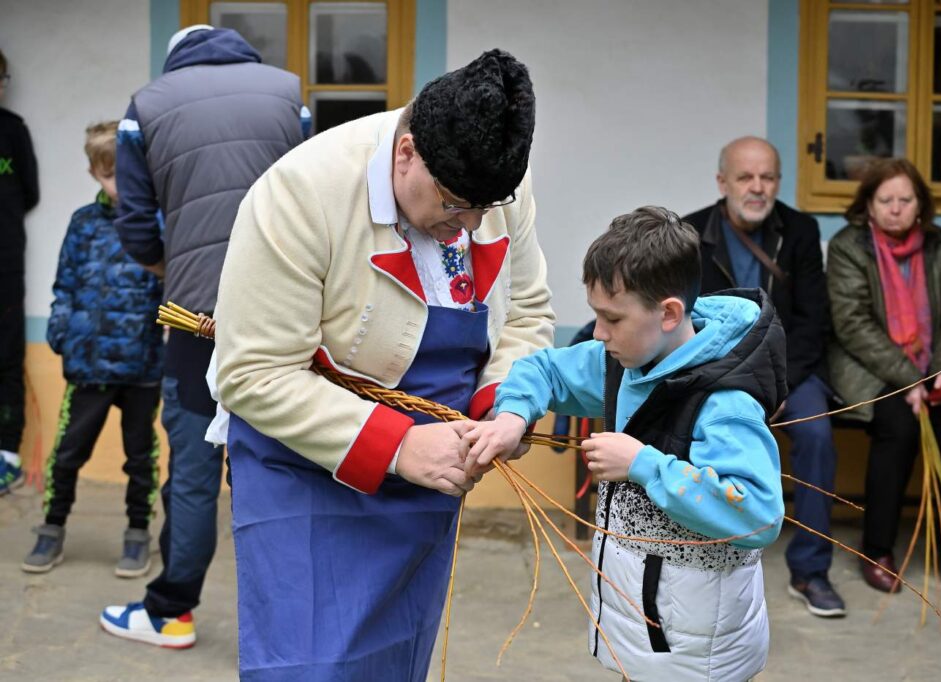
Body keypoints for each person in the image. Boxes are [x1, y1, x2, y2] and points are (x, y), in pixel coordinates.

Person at [214, 49, 553, 679]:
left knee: (393, 660)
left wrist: (507, 407)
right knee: (307, 665)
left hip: (435, 469)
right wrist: (398, 448)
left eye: (484, 209)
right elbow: (254, 372)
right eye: (455, 204)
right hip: (308, 466)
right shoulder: (299, 194)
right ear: (406, 154)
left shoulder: (492, 184)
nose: (469, 228)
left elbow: (528, 311)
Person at [462, 206, 786, 681]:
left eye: (612, 318)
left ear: (670, 313)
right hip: (642, 624)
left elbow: (757, 513)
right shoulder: (624, 361)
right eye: (596, 315)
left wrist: (644, 465)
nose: (598, 332)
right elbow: (545, 369)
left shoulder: (725, 405)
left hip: (698, 648)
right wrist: (513, 416)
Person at [100, 25, 308, 648]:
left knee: (192, 472)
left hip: (194, 319)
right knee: (279, 469)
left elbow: (135, 223)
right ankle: (289, 624)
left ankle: (171, 614)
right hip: (284, 312)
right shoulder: (288, 92)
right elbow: (316, 194)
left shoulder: (147, 104)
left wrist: (176, 267)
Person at [684, 136, 846, 617]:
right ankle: (703, 559)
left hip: (790, 373)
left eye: (768, 177)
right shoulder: (692, 233)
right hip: (718, 374)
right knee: (694, 434)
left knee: (816, 434)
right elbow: (688, 321)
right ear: (722, 182)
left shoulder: (798, 231)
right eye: (745, 177)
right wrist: (731, 382)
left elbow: (814, 321)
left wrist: (777, 384)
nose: (757, 188)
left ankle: (811, 571)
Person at [827, 158, 941, 593]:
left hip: (934, 364)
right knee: (898, 426)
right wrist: (907, 379)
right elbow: (852, 323)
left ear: (920, 205)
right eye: (886, 200)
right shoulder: (848, 245)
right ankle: (877, 547)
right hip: (870, 368)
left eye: (905, 200)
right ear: (869, 205)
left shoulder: (939, 243)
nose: (896, 209)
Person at [22, 121, 163, 577]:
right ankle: (51, 529)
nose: (117, 185)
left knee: (140, 458)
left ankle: (138, 535)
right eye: (108, 176)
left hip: (143, 367)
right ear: (93, 174)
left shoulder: (155, 222)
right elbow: (64, 285)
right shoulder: (82, 223)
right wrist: (61, 333)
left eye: (125, 174)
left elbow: (172, 287)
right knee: (67, 454)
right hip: (89, 366)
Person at [0, 48, 39, 495]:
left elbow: (28, 192)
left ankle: (7, 453)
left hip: (6, 261)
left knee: (7, 356)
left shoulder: (12, 132)